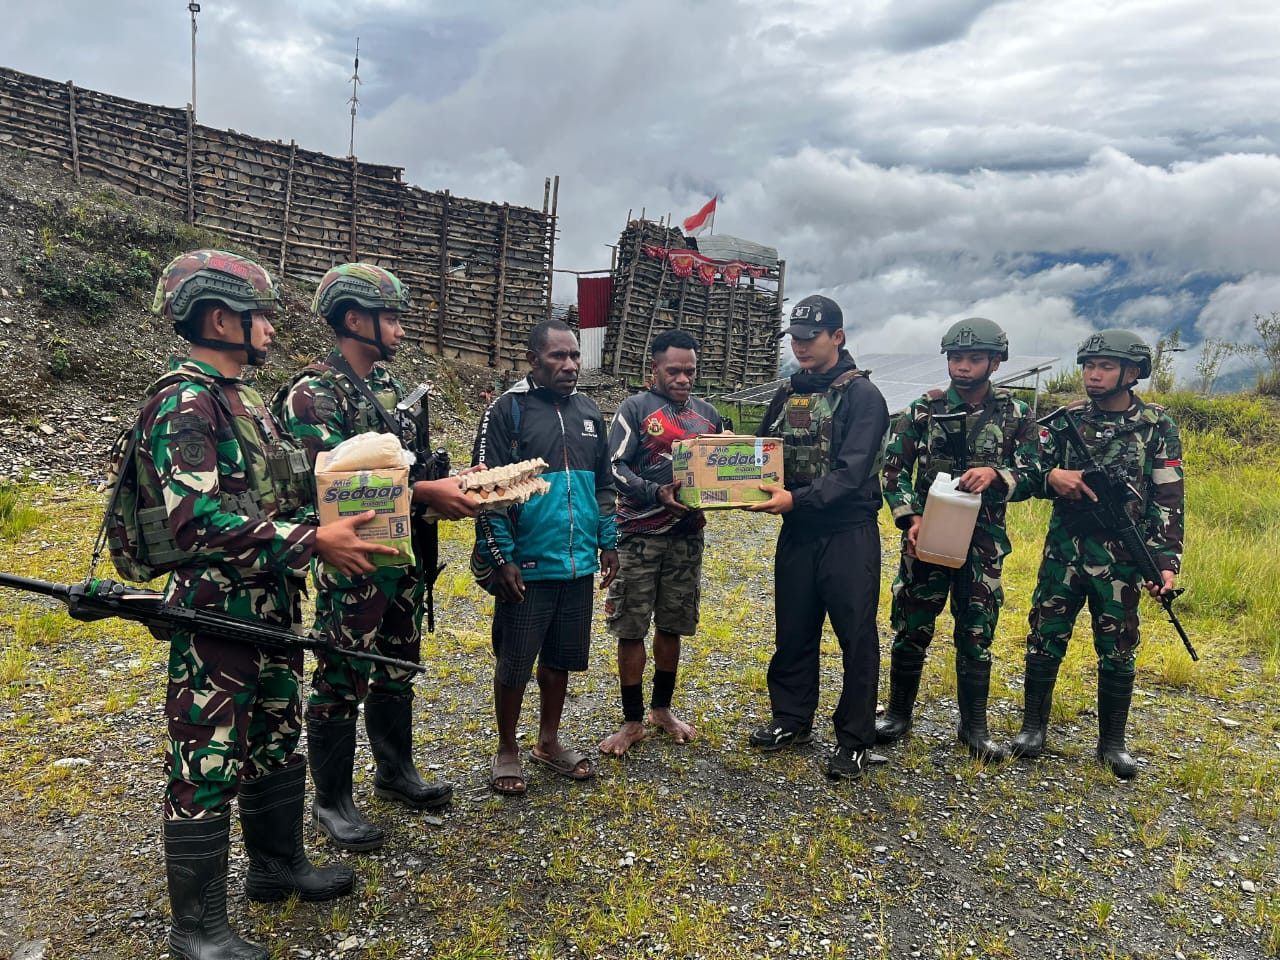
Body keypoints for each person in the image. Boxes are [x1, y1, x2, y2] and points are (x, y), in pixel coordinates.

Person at [143, 250, 397, 959]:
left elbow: (288, 490)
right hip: (216, 615)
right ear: (220, 318)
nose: (272, 331)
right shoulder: (184, 401)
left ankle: (277, 868)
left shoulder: (247, 401)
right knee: (207, 760)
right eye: (260, 317)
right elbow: (193, 519)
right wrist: (314, 541)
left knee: (275, 737)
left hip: (270, 607)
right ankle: (196, 929)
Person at [277, 263, 477, 852]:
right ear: (354, 319)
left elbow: (405, 468)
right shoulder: (313, 395)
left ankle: (395, 772)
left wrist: (452, 482)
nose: (400, 330)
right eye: (390, 318)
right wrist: (424, 494)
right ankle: (331, 800)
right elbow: (329, 491)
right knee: (341, 671)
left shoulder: (390, 390)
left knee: (398, 663)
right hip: (353, 557)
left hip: (402, 553)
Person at [1011, 329, 1183, 779]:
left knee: (1119, 643)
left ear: (1132, 373)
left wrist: (1165, 562)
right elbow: (1026, 472)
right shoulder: (1065, 420)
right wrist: (1054, 478)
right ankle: (1033, 729)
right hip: (1065, 548)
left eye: (1105, 366)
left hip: (1124, 555)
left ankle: (1112, 743)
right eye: (1089, 365)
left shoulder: (1156, 426)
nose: (1093, 374)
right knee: (1045, 632)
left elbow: (1168, 496)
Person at [878, 318, 1039, 761]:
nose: (962, 366)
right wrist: (909, 518)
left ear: (994, 361)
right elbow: (893, 472)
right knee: (912, 624)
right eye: (955, 358)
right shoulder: (921, 410)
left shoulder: (1016, 415)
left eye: (973, 358)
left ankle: (974, 728)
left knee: (976, 629)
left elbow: (1034, 474)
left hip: (983, 541)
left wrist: (998, 475)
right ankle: (897, 715)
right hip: (927, 536)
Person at [472, 319, 618, 794]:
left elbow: (604, 486)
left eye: (574, 356)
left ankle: (548, 741)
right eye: (558, 356)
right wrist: (502, 557)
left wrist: (608, 540)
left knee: (561, 658)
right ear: (533, 359)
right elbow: (487, 490)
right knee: (515, 660)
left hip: (577, 563)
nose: (570, 365)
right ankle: (507, 748)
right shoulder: (506, 413)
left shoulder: (591, 413)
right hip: (527, 565)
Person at [747, 295, 890, 780]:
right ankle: (791, 719)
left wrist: (795, 499)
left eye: (811, 338)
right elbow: (761, 451)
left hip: (847, 534)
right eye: (796, 338)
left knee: (856, 636)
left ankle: (854, 740)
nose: (801, 347)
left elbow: (852, 475)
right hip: (798, 533)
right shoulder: (788, 391)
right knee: (793, 628)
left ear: (838, 337)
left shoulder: (863, 397)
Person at [599, 329, 723, 756]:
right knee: (631, 627)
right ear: (654, 369)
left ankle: (661, 709)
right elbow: (613, 467)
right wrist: (655, 493)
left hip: (687, 540)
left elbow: (721, 471)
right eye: (674, 371)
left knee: (673, 625)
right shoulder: (634, 410)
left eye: (690, 370)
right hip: (638, 537)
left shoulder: (709, 416)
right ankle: (632, 720)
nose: (684, 378)